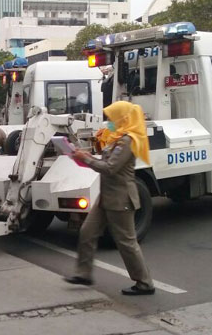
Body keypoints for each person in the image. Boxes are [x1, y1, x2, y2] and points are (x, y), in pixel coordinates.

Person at [64, 101, 156, 296]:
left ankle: (144, 283)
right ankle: (83, 273)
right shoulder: (117, 138)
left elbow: (111, 168)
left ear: (123, 118)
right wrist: (84, 156)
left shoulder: (128, 140)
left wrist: (86, 159)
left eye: (112, 118)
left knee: (126, 242)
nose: (109, 122)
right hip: (106, 196)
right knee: (87, 232)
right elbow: (105, 162)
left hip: (120, 198)